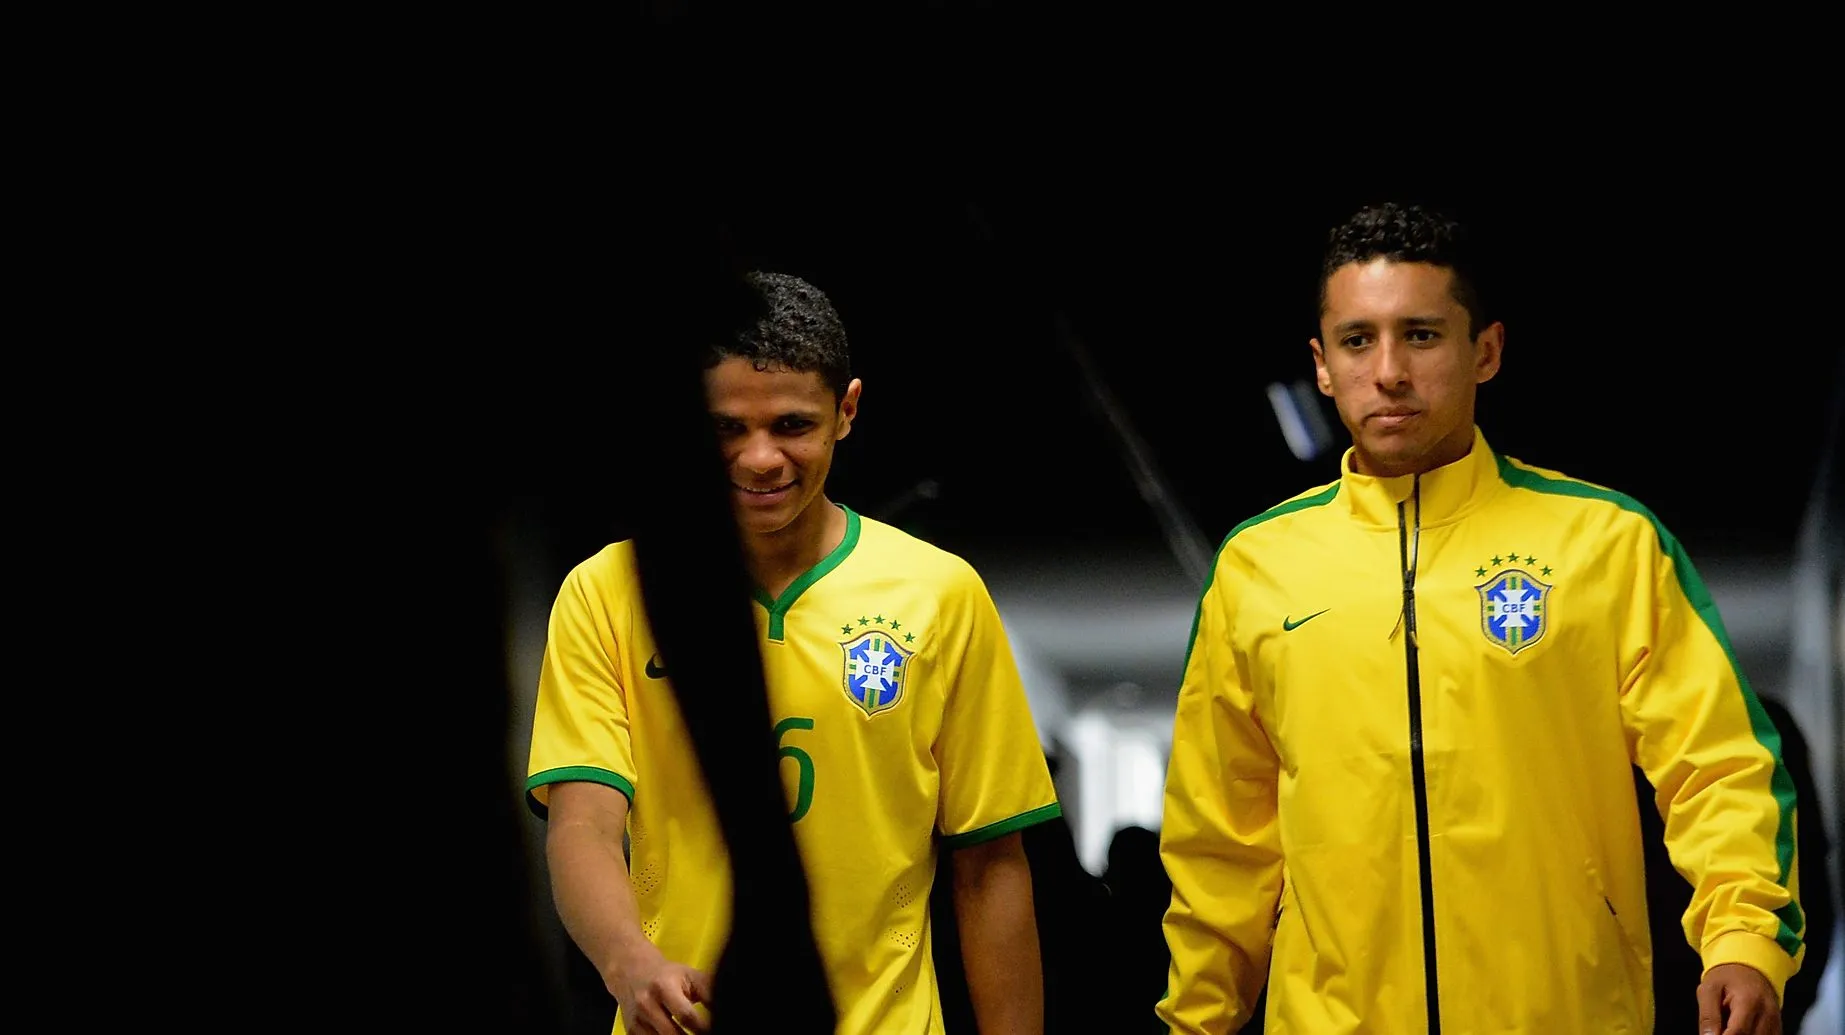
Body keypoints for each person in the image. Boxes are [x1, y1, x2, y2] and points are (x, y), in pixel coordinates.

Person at [1156, 201, 1808, 1033]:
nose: (1388, 370)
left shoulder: (1605, 544)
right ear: (1321, 366)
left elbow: (1718, 765)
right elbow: (1221, 832)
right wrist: (1196, 1015)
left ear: (1485, 351)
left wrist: (1743, 936)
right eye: (1358, 340)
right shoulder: (1256, 570)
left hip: (1563, 1012)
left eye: (1421, 335)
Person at [525, 270, 1061, 1035]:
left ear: (845, 411)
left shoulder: (939, 594)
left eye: (790, 425)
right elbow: (581, 824)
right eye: (724, 429)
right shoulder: (608, 590)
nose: (758, 459)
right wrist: (629, 962)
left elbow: (990, 864)